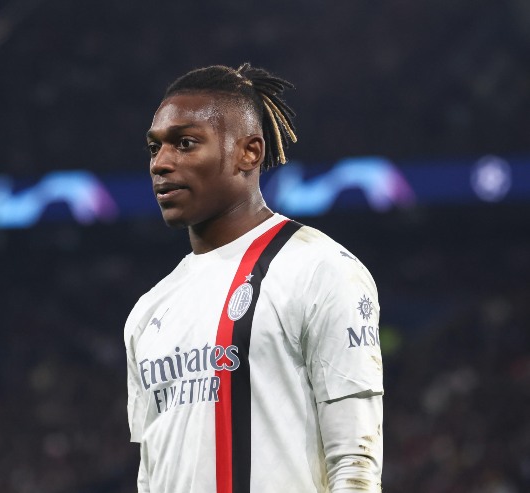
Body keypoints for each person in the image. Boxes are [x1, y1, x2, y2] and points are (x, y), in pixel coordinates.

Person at [124, 63, 383, 493]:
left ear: (249, 152)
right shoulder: (148, 310)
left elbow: (355, 462)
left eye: (185, 143)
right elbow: (150, 474)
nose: (161, 163)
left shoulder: (319, 268)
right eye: (155, 147)